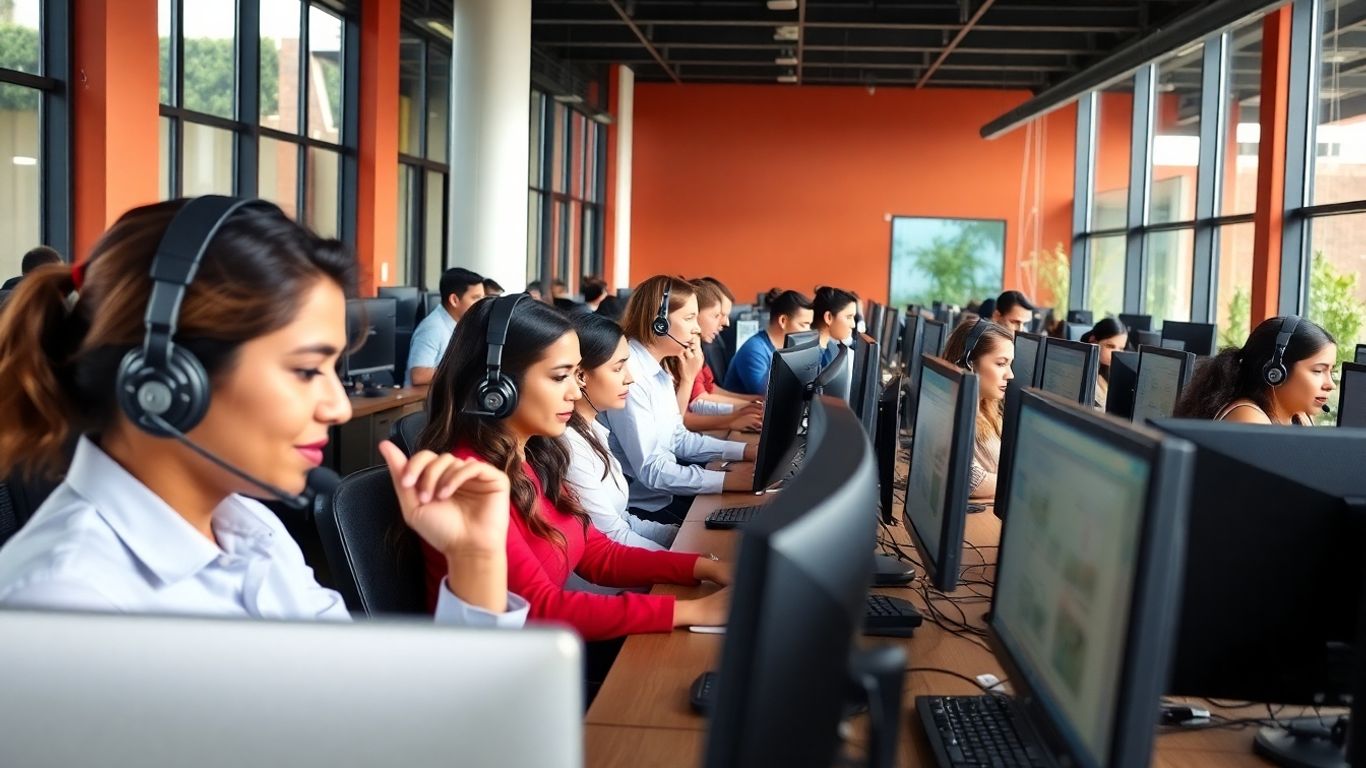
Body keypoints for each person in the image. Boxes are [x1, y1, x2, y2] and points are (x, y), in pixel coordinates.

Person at [0, 197, 525, 626]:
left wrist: (474, 559)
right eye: (304, 370)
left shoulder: (249, 527)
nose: (338, 407)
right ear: (165, 382)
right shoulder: (68, 602)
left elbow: (380, 707)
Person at [417, 294, 731, 640]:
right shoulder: (468, 479)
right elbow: (537, 609)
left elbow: (597, 552)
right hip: (510, 670)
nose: (575, 391)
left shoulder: (535, 455)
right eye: (560, 377)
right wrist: (692, 610)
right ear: (497, 387)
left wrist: (705, 567)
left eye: (576, 374)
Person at [604, 276, 758, 524]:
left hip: (664, 494)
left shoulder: (659, 369)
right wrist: (726, 478)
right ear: (660, 322)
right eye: (689, 318)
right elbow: (651, 470)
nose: (696, 328)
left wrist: (745, 451)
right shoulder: (631, 375)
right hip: (642, 509)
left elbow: (678, 438)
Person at [563, 313, 678, 550]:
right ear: (581, 376)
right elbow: (613, 538)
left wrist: (682, 538)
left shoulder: (593, 428)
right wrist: (691, 561)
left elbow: (622, 521)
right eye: (618, 368)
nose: (630, 378)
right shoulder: (570, 445)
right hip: (607, 582)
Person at [1173, 316, 1337, 425]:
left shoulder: (1299, 418)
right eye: (1318, 371)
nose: (1330, 385)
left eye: (1331, 371)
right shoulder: (1248, 418)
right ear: (1276, 373)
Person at [673, 278, 763, 433]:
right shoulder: (681, 355)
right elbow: (689, 411)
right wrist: (737, 415)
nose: (725, 323)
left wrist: (753, 402)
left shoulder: (697, 350)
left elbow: (709, 388)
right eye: (717, 315)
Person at [942, 318, 1015, 502]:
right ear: (969, 364)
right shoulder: (955, 416)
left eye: (1010, 364)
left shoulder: (987, 409)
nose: (1010, 374)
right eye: (1001, 364)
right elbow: (970, 481)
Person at [722, 288, 814, 395]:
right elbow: (768, 395)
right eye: (804, 324)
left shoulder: (786, 348)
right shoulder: (754, 350)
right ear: (783, 321)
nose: (809, 331)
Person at [407, 266, 485, 386]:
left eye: (483, 298)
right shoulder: (432, 328)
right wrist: (466, 368)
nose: (482, 304)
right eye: (476, 298)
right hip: (423, 402)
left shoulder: (464, 325)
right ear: (454, 300)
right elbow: (419, 375)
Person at [1080, 318, 1129, 410]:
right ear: (1093, 341)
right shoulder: (1083, 374)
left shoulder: (1112, 372)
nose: (1116, 353)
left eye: (1121, 348)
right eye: (1110, 346)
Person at [811, 286, 858, 367]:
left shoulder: (831, 348)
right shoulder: (812, 360)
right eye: (849, 317)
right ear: (828, 317)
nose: (853, 325)